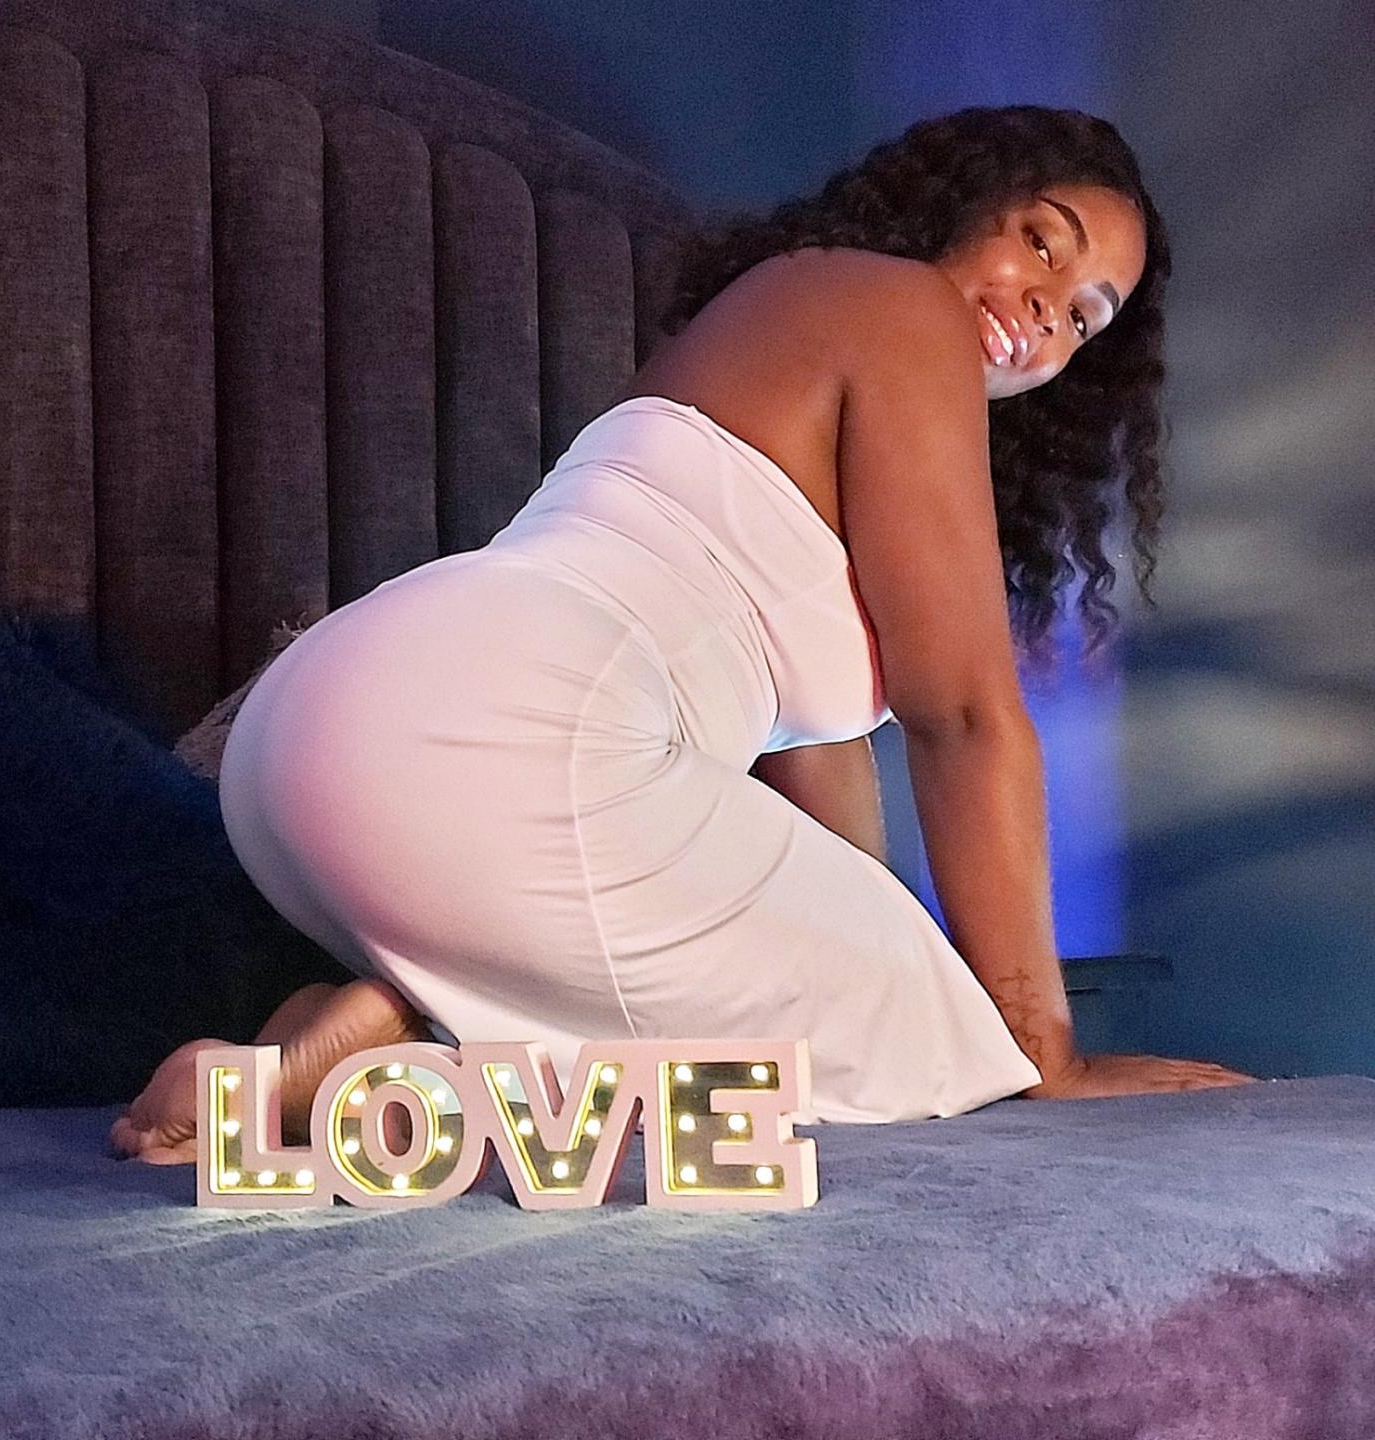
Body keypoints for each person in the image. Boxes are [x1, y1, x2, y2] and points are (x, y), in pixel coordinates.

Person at [111, 104, 1256, 1165]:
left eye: (1083, 315)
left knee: (886, 971)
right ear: (963, 202)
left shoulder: (792, 338)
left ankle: (350, 1034)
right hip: (499, 747)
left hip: (304, 746)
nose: (1047, 309)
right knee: (927, 1034)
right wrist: (1040, 1055)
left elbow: (818, 772)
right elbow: (963, 715)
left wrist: (851, 937)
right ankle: (399, 1075)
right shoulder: (904, 310)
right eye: (1041, 243)